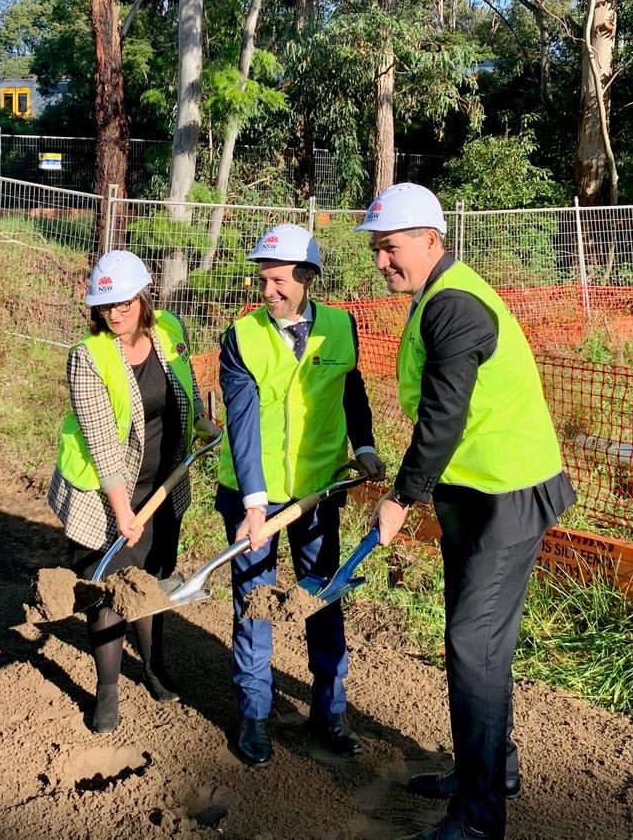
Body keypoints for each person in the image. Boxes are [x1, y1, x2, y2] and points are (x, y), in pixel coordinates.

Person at [357, 184, 576, 840]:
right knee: (479, 641)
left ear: (430, 238)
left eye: (389, 247)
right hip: (475, 494)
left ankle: (479, 818)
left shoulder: (455, 305)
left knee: (471, 646)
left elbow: (443, 415)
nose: (381, 262)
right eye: (375, 250)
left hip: (505, 497)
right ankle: (492, 766)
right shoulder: (441, 292)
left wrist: (399, 497)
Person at [215, 223, 385, 765]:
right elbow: (241, 424)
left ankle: (329, 712)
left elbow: (351, 388)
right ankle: (256, 716)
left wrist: (363, 444)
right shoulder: (240, 338)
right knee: (255, 603)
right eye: (263, 281)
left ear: (307, 277)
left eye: (280, 281)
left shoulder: (340, 326)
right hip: (251, 496)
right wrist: (255, 503)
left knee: (323, 596)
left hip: (317, 491)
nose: (268, 292)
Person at [47, 250, 218, 734]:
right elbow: (101, 441)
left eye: (123, 304)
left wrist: (203, 423)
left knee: (154, 579)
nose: (114, 314)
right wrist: (123, 511)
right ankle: (106, 691)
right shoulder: (88, 356)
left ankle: (153, 667)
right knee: (107, 594)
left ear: (144, 298)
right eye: (105, 307)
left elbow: (183, 389)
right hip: (103, 494)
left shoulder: (170, 330)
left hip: (162, 485)